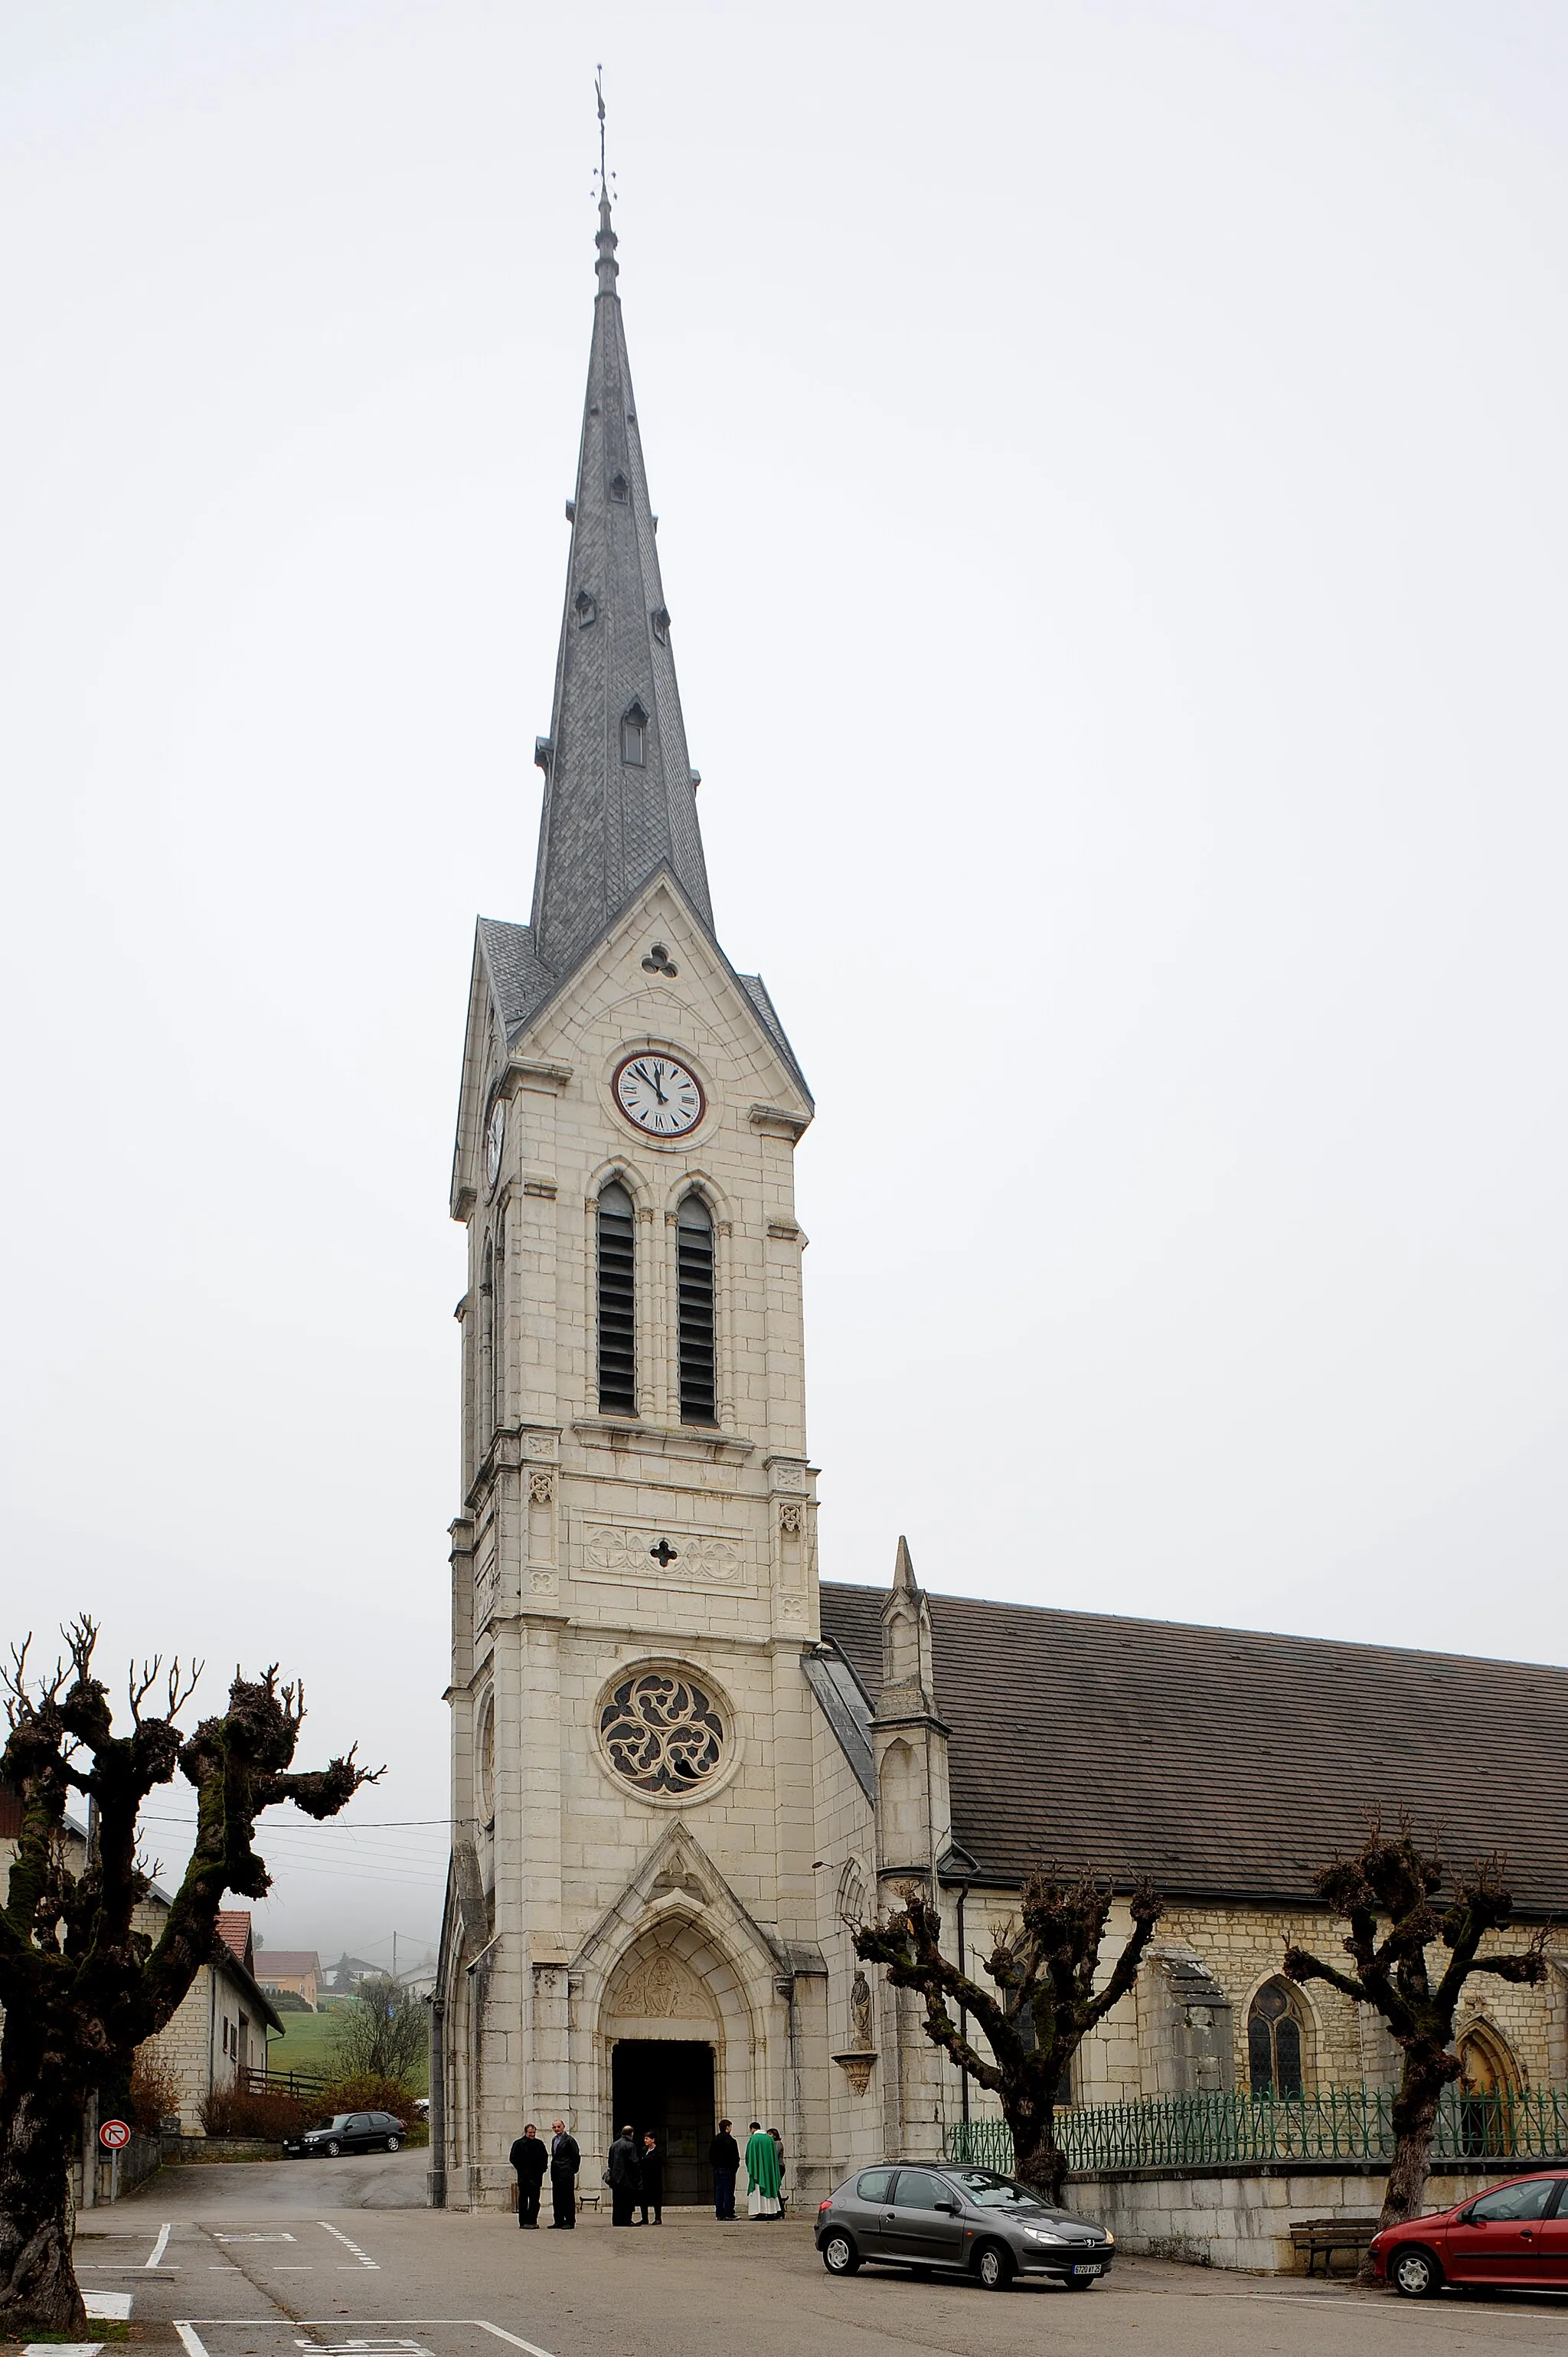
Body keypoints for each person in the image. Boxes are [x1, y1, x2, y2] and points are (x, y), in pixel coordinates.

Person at [509, 2123, 547, 2228]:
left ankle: (533, 2221)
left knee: (535, 2201)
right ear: (526, 2132)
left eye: (534, 2132)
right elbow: (513, 2158)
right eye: (530, 2132)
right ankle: (524, 2222)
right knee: (524, 2200)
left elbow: (545, 2158)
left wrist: (542, 2170)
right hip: (524, 2177)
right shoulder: (518, 2144)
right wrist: (522, 2170)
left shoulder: (539, 2144)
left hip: (536, 2177)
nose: (532, 2134)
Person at [606, 2120, 642, 2227]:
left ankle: (616, 2220)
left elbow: (610, 2162)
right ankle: (626, 2220)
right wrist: (637, 2177)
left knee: (617, 2200)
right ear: (631, 2134)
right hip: (627, 2178)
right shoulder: (631, 2145)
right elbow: (634, 2162)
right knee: (628, 2200)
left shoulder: (614, 2145)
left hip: (615, 2178)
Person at [744, 2119, 782, 2221]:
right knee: (770, 2187)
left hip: (758, 2171)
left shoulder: (754, 2139)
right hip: (769, 2171)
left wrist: (751, 2168)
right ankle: (771, 2212)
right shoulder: (769, 2139)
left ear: (752, 2129)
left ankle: (760, 2212)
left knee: (758, 2191)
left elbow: (749, 2156)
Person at [548, 2120, 580, 2228]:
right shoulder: (554, 2140)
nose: (557, 2129)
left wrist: (572, 2170)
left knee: (568, 2198)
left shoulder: (570, 2140)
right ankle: (559, 2221)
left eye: (559, 2127)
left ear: (563, 2127)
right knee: (557, 2198)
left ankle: (570, 2221)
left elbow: (576, 2156)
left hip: (566, 2172)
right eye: (555, 2127)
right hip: (556, 2173)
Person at [709, 2118, 740, 2221]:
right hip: (728, 2169)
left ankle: (720, 2214)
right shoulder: (731, 2141)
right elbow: (735, 2157)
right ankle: (729, 2213)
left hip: (718, 2169)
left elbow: (711, 2156)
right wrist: (735, 2167)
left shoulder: (715, 2140)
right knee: (728, 2191)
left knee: (719, 2191)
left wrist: (716, 2166)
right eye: (730, 2127)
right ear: (727, 2127)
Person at [638, 2130, 664, 2225]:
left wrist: (646, 2160)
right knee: (643, 2199)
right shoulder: (644, 2150)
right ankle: (644, 2218)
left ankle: (658, 2218)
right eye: (645, 2138)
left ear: (653, 2140)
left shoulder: (659, 2150)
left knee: (656, 2199)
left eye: (647, 2139)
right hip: (645, 2178)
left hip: (655, 2179)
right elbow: (640, 2161)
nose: (645, 2140)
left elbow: (657, 2162)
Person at [768, 2126, 788, 2216]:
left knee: (775, 2187)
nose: (769, 2136)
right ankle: (780, 2207)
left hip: (779, 2167)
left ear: (775, 2135)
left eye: (770, 2134)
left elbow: (774, 2154)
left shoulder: (778, 2143)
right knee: (775, 2188)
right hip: (775, 2167)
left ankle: (780, 2209)